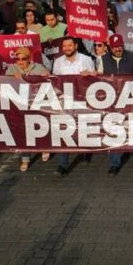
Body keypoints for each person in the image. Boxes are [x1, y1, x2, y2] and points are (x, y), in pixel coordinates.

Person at [98, 34, 133, 176]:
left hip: (130, 98)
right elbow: (99, 75)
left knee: (132, 126)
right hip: (112, 100)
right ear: (110, 48)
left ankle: (132, 146)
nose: (118, 49)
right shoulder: (102, 59)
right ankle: (115, 163)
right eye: (114, 47)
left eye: (119, 46)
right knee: (114, 130)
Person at [51, 37, 97, 175]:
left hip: (82, 100)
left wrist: (89, 74)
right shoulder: (58, 61)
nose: (66, 48)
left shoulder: (86, 59)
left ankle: (85, 151)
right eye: (64, 46)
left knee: (82, 127)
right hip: (65, 102)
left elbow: (95, 79)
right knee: (64, 130)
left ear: (76, 46)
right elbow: (55, 81)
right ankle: (62, 164)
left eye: (69, 45)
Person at [6, 47, 51, 171]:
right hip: (21, 105)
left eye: (23, 59)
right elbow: (4, 82)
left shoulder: (38, 67)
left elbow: (48, 79)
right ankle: (25, 159)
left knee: (40, 126)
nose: (20, 61)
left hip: (37, 103)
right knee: (24, 131)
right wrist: (11, 77)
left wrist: (45, 75)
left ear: (29, 59)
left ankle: (44, 148)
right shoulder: (12, 69)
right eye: (17, 59)